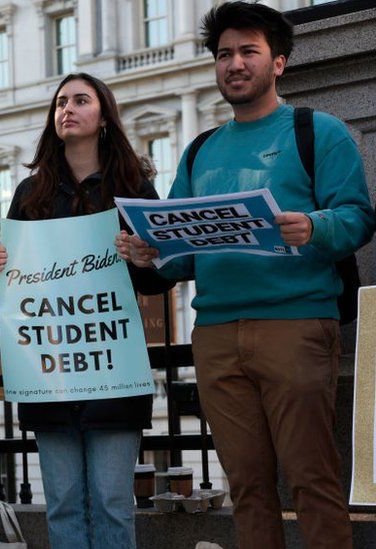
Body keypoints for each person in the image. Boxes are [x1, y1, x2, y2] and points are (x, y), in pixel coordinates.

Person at [118, 3, 374, 548]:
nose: (234, 63)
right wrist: (149, 256)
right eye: (224, 54)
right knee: (247, 487)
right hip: (214, 334)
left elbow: (357, 216)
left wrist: (314, 224)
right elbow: (183, 253)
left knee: (312, 480)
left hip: (298, 325)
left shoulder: (318, 132)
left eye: (248, 51)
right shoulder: (201, 149)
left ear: (278, 62)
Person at [0, 73, 172, 548]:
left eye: (80, 100)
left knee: (113, 504)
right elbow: (14, 283)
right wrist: (0, 263)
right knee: (64, 506)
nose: (67, 108)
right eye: (60, 102)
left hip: (112, 370)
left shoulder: (134, 187)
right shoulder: (30, 193)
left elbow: (159, 278)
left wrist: (143, 255)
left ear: (104, 116)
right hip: (50, 375)